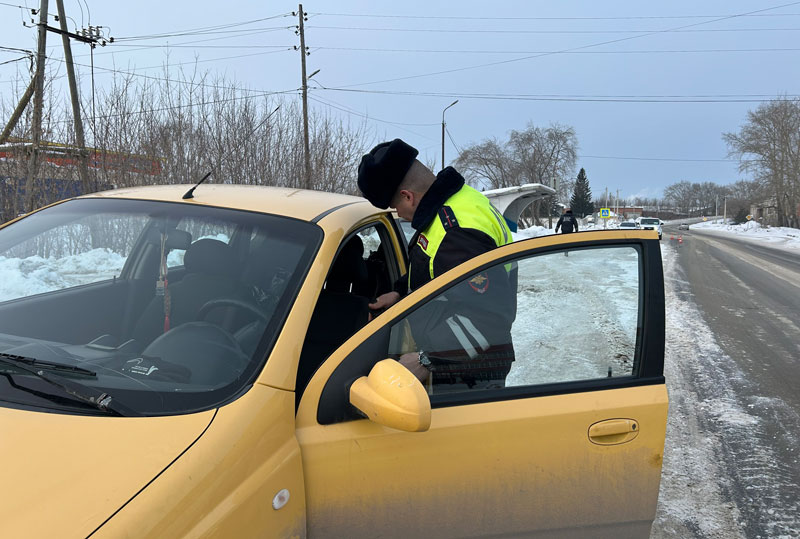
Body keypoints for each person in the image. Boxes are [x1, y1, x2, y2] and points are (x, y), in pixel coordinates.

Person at [357, 138, 516, 390]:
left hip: (467, 372)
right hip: (458, 360)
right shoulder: (461, 201)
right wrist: (400, 291)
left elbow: (488, 318)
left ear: (407, 196)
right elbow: (436, 270)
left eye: (395, 206)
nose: (397, 214)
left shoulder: (457, 233)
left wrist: (426, 359)